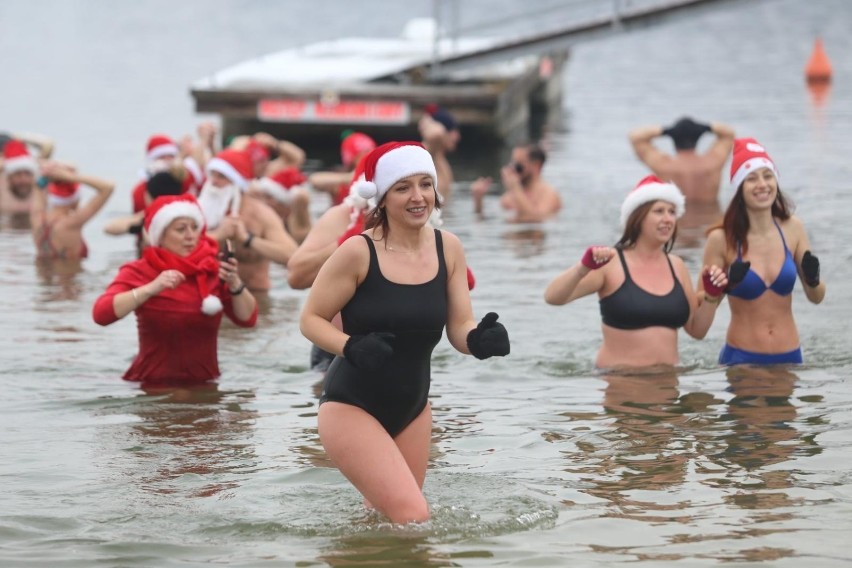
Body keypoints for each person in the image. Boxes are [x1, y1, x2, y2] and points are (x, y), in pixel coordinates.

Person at [299, 141, 510, 524]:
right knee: (413, 515)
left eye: (425, 184)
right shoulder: (358, 251)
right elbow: (310, 318)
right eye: (403, 187)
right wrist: (351, 346)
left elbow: (459, 325)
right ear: (381, 198)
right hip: (350, 404)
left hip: (413, 409)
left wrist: (478, 340)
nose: (418, 197)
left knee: (384, 521)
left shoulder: (449, 248)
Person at [544, 175, 724, 368]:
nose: (668, 219)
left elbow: (697, 330)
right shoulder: (610, 262)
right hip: (621, 384)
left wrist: (712, 297)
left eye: (672, 212)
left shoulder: (677, 265)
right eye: (659, 211)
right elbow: (553, 297)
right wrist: (583, 267)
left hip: (668, 385)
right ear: (637, 217)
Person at [92, 194, 258, 384]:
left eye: (195, 227)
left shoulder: (212, 270)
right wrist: (151, 289)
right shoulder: (140, 271)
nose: (190, 235)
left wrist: (235, 282)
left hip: (206, 388)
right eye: (180, 229)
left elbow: (248, 320)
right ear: (160, 236)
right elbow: (101, 314)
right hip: (153, 388)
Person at [699, 138, 825, 366]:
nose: (762, 184)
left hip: (790, 358)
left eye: (768, 176)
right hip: (741, 360)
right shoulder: (721, 239)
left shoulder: (793, 228)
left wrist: (813, 279)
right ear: (739, 188)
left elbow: (816, 298)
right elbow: (701, 307)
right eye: (751, 178)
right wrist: (725, 287)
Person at [197, 149, 298, 291]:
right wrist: (218, 235)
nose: (213, 181)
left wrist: (248, 239)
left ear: (237, 182)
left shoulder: (260, 214)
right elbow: (177, 251)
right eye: (212, 174)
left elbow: (292, 256)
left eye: (221, 176)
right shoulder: (198, 211)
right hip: (212, 296)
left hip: (255, 297)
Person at [628, 117, 735, 205]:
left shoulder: (663, 166)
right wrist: (705, 128)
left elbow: (636, 137)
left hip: (676, 227)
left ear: (674, 139)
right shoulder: (713, 163)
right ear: (697, 138)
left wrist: (667, 131)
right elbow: (729, 134)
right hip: (711, 226)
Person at [29, 161, 114, 260]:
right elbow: (108, 187)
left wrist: (47, 174)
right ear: (75, 198)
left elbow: (37, 186)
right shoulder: (71, 223)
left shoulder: (37, 217)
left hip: (40, 274)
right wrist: (72, 177)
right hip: (70, 275)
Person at [471, 142, 561, 222]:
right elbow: (488, 224)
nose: (514, 170)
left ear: (536, 165)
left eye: (519, 166)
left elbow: (535, 219)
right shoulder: (509, 197)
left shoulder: (549, 194)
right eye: (512, 164)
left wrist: (516, 188)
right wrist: (478, 201)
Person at [307, 130, 376, 206]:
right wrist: (351, 177)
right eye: (363, 154)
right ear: (352, 160)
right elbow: (314, 180)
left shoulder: (377, 174)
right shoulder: (341, 182)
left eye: (371, 152)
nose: (369, 157)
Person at [1, 134, 54, 215]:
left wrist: (18, 139)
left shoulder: (37, 172)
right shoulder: (4, 179)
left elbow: (48, 145)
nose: (23, 179)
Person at [419, 104, 460, 203]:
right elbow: (436, 133)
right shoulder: (428, 155)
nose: (457, 136)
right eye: (451, 130)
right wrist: (427, 120)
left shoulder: (440, 158)